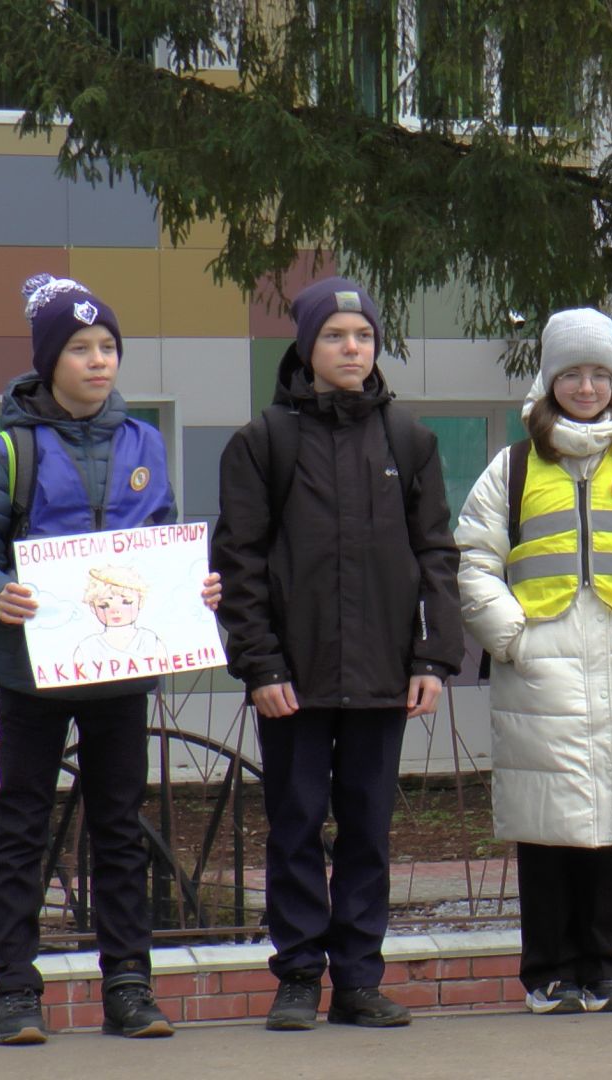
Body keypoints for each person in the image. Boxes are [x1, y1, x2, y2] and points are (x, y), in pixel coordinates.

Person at [0, 274, 220, 1045]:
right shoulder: (7, 450)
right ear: (48, 361)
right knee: (22, 828)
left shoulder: (145, 443)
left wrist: (191, 584)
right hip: (32, 673)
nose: (99, 362)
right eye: (81, 349)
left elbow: (162, 538)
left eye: (108, 348)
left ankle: (129, 987)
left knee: (120, 828)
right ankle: (16, 994)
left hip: (120, 674)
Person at [212, 276, 463, 1028]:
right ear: (306, 346)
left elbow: (436, 555)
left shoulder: (408, 439)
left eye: (362, 336)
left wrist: (432, 659)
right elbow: (240, 562)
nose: (351, 349)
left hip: (385, 675)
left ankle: (358, 978)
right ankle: (297, 976)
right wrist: (261, 665)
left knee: (367, 829)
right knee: (293, 825)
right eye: (334, 336)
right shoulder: (263, 441)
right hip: (293, 679)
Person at [455, 309, 612, 1014]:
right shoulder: (512, 467)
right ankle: (548, 972)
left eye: (599, 373)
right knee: (547, 824)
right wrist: (512, 637)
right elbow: (474, 561)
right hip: (544, 666)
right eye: (573, 373)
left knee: (609, 825)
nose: (587, 386)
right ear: (549, 379)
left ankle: (603, 967)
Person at [74, 566, 166, 667]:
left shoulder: (150, 641)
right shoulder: (86, 649)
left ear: (140, 602)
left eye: (126, 602)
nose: (116, 611)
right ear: (92, 607)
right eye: (104, 605)